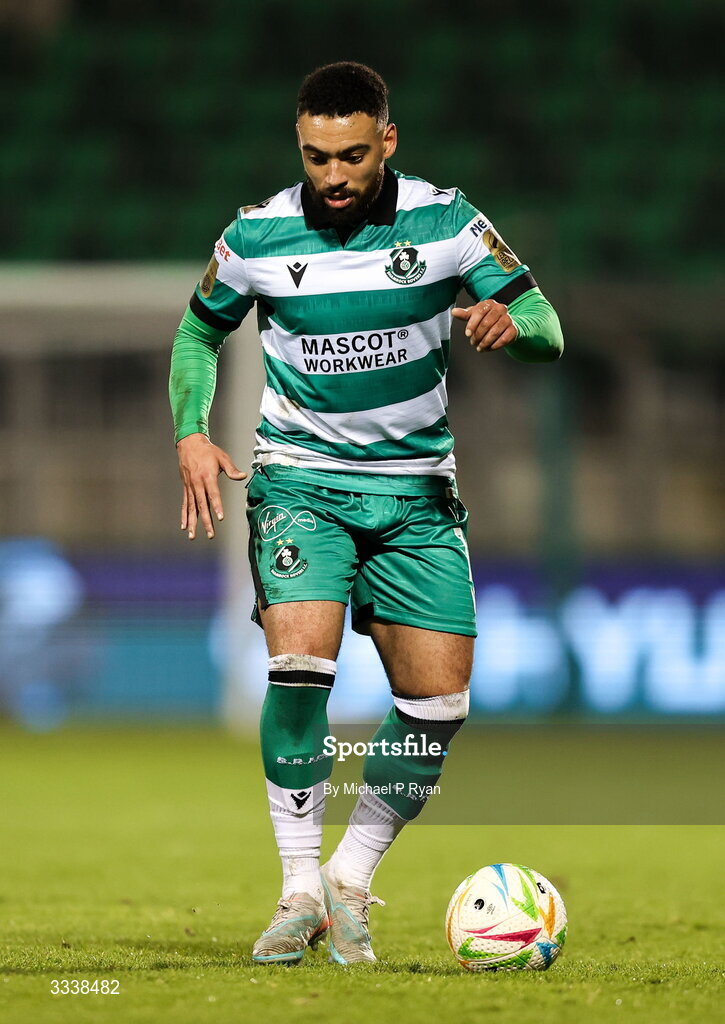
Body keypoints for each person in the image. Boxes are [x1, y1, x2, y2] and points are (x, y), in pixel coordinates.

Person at [169, 61, 563, 966]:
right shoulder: (255, 235)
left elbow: (546, 322)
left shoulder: (451, 222)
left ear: (387, 140)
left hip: (417, 494)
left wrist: (516, 330)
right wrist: (190, 431)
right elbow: (199, 330)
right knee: (301, 663)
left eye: (351, 155)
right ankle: (297, 887)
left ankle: (348, 879)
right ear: (298, 146)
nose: (334, 176)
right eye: (316, 157)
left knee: (437, 704)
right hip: (300, 482)